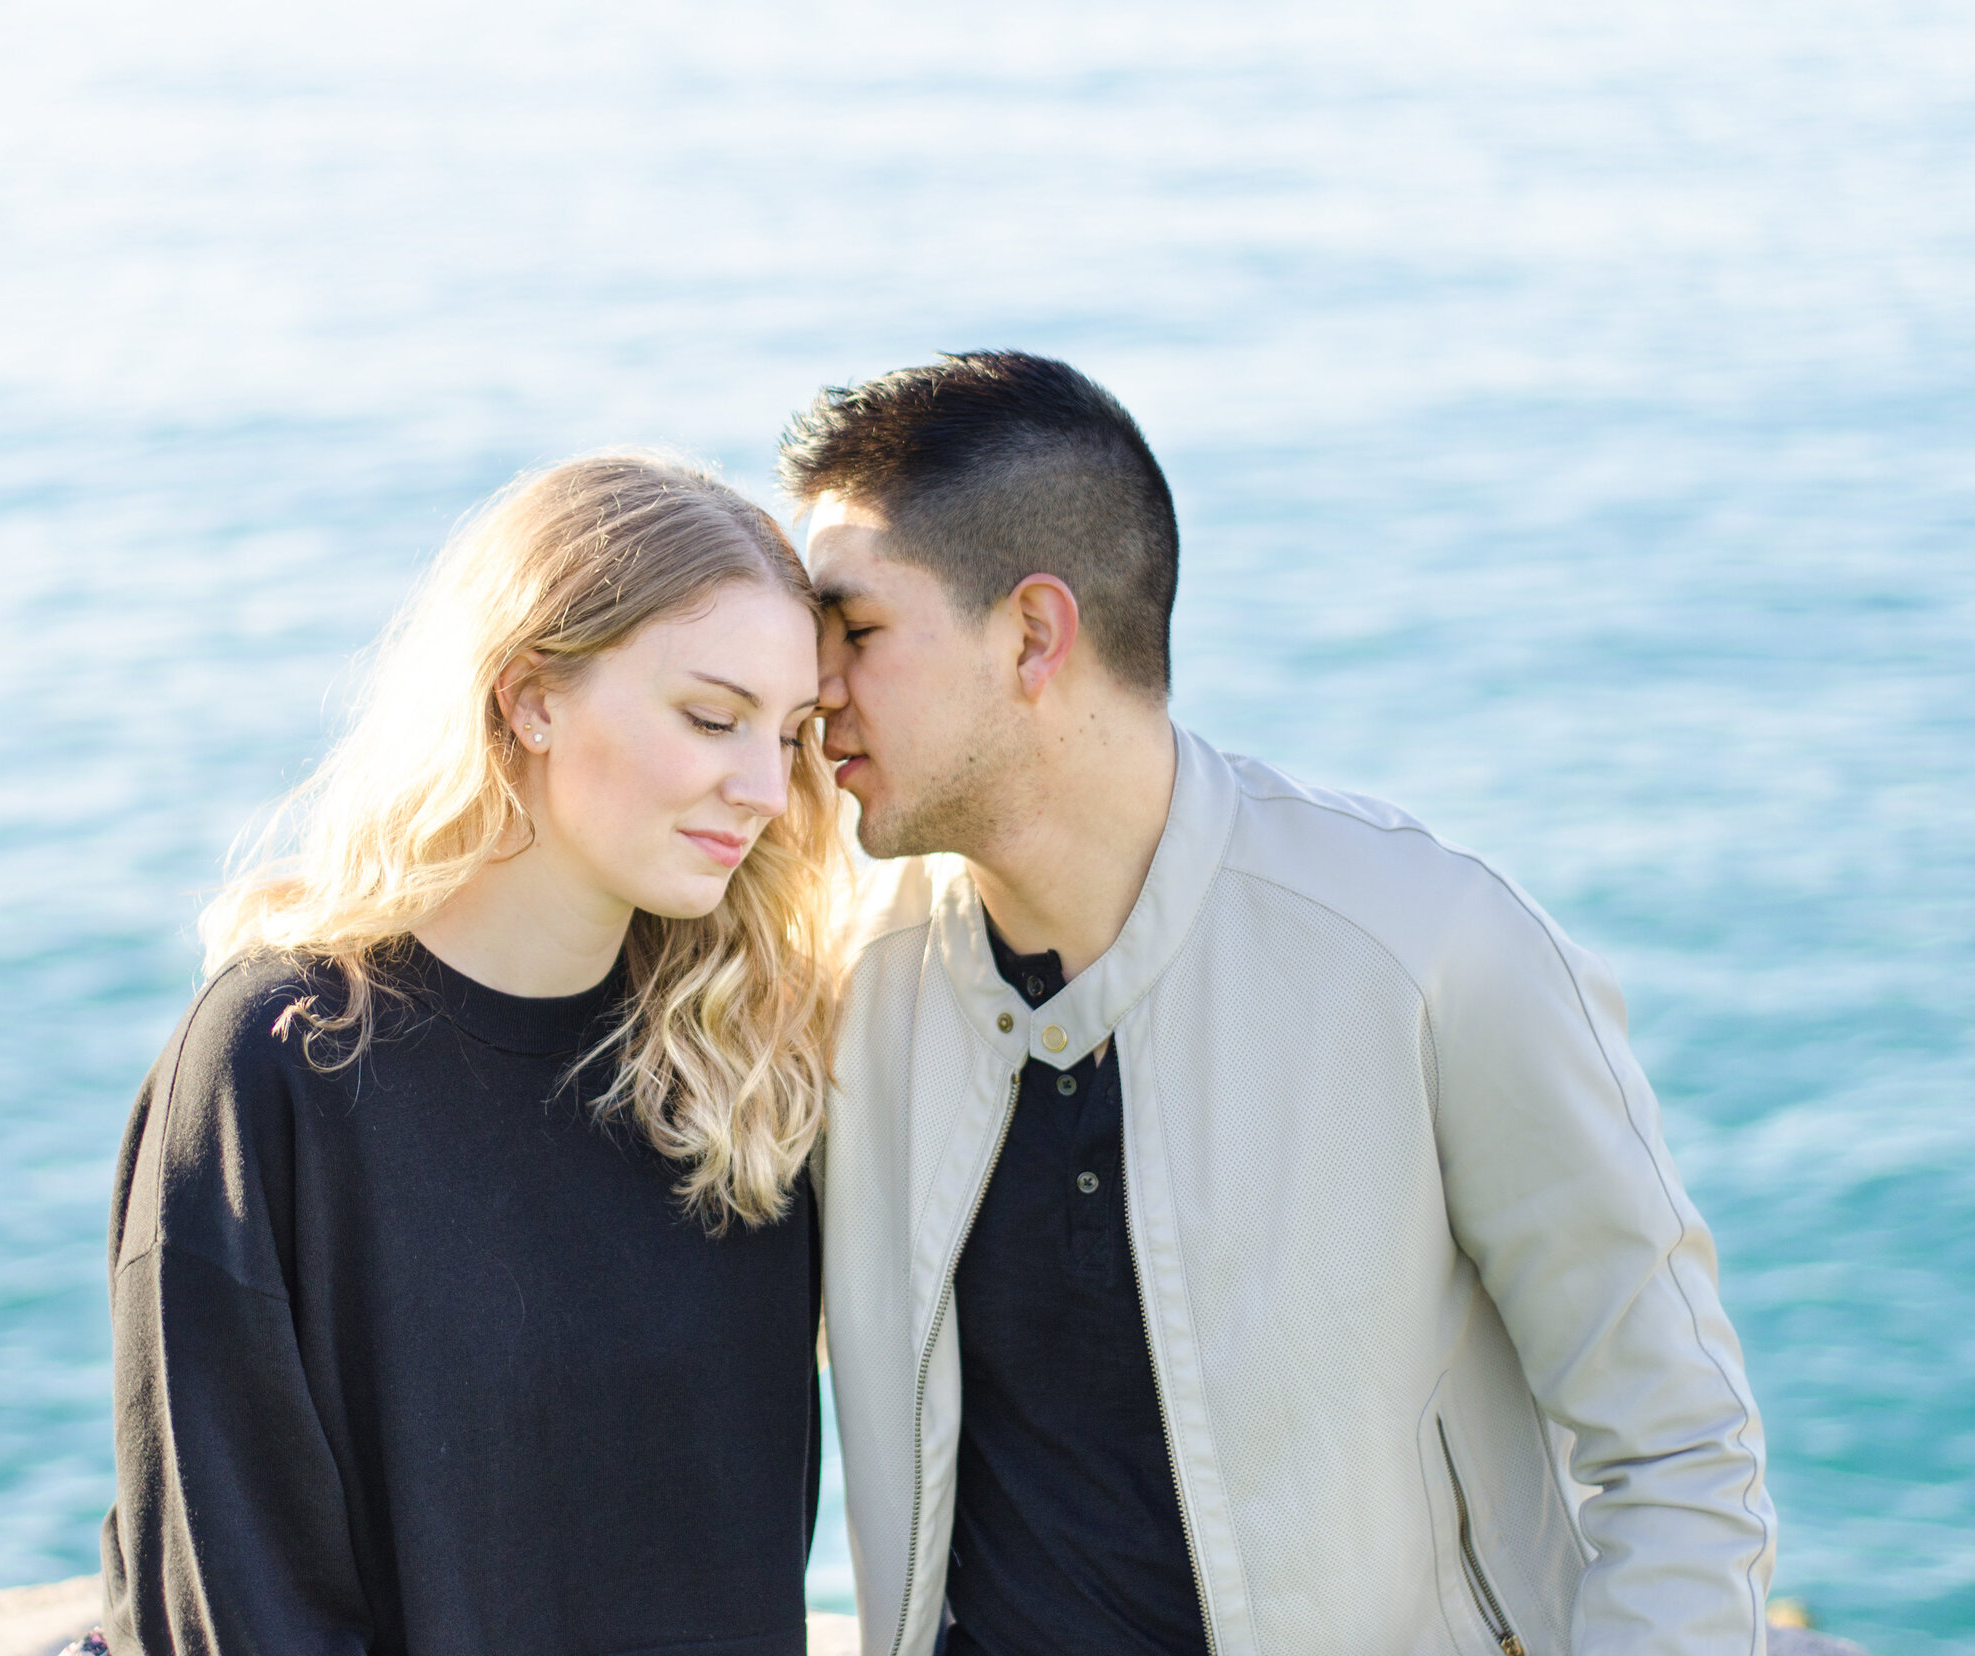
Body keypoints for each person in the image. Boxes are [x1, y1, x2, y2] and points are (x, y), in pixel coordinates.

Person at [785, 353, 1775, 1656]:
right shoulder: (844, 994)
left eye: (854, 633)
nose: (813, 695)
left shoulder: (1426, 947)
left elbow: (1678, 1450)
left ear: (1033, 634)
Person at [97, 454, 845, 1656]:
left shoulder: (749, 1061)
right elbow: (232, 1591)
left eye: (794, 734)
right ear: (528, 697)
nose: (764, 787)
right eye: (712, 718)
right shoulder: (278, 1066)